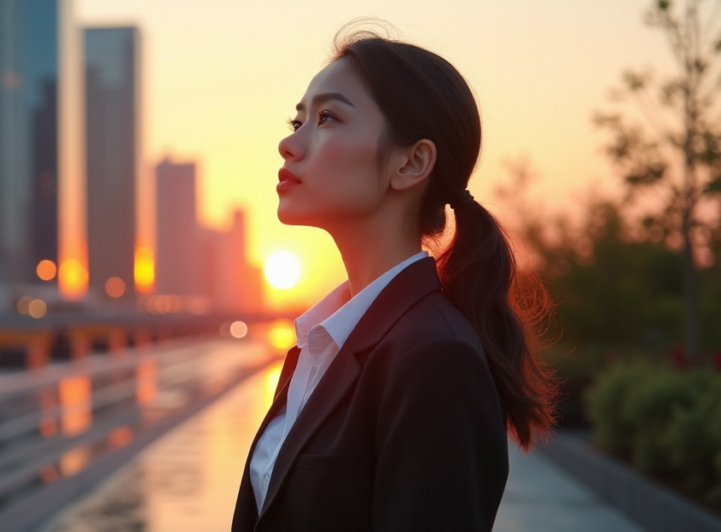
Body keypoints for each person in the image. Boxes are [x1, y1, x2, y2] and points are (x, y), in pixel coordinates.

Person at [231, 27, 559, 532]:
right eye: (297, 119)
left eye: (327, 118)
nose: (289, 143)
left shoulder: (433, 357)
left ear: (411, 163)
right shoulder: (320, 347)